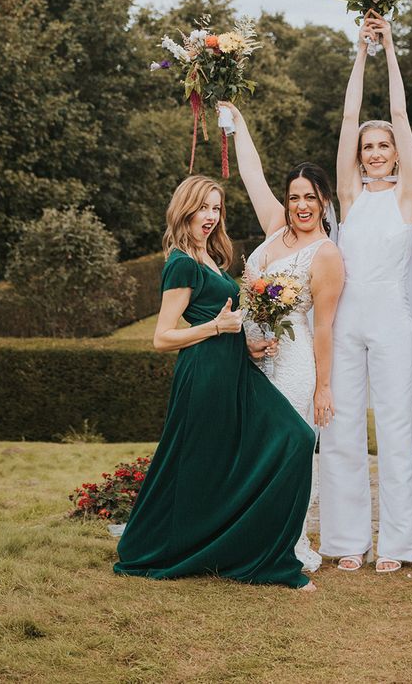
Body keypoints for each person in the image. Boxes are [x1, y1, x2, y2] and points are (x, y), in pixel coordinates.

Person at [114, 174, 316, 590]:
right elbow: (162, 337)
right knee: (206, 463)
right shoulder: (182, 263)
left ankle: (245, 545)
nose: (210, 216)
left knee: (293, 438)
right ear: (185, 210)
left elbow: (224, 321)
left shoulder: (211, 257)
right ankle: (216, 551)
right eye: (203, 207)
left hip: (235, 369)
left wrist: (246, 347)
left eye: (216, 208)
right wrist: (217, 328)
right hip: (204, 375)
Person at [319, 10, 412, 574]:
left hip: (393, 321)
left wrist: (389, 45)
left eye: (382, 144)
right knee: (339, 429)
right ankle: (345, 541)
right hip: (346, 321)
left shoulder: (409, 194)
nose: (374, 151)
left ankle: (397, 546)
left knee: (394, 431)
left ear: (395, 151)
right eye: (368, 146)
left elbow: (401, 112)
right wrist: (358, 49)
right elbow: (347, 116)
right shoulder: (349, 195)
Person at [222, 102, 345, 573]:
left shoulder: (327, 254)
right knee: (251, 449)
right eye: (295, 196)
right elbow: (252, 175)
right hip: (249, 357)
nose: (301, 205)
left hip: (293, 364)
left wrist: (323, 387)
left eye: (310, 196)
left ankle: (286, 542)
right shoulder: (276, 228)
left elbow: (324, 325)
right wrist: (239, 123)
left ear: (324, 201)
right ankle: (248, 537)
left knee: (289, 452)